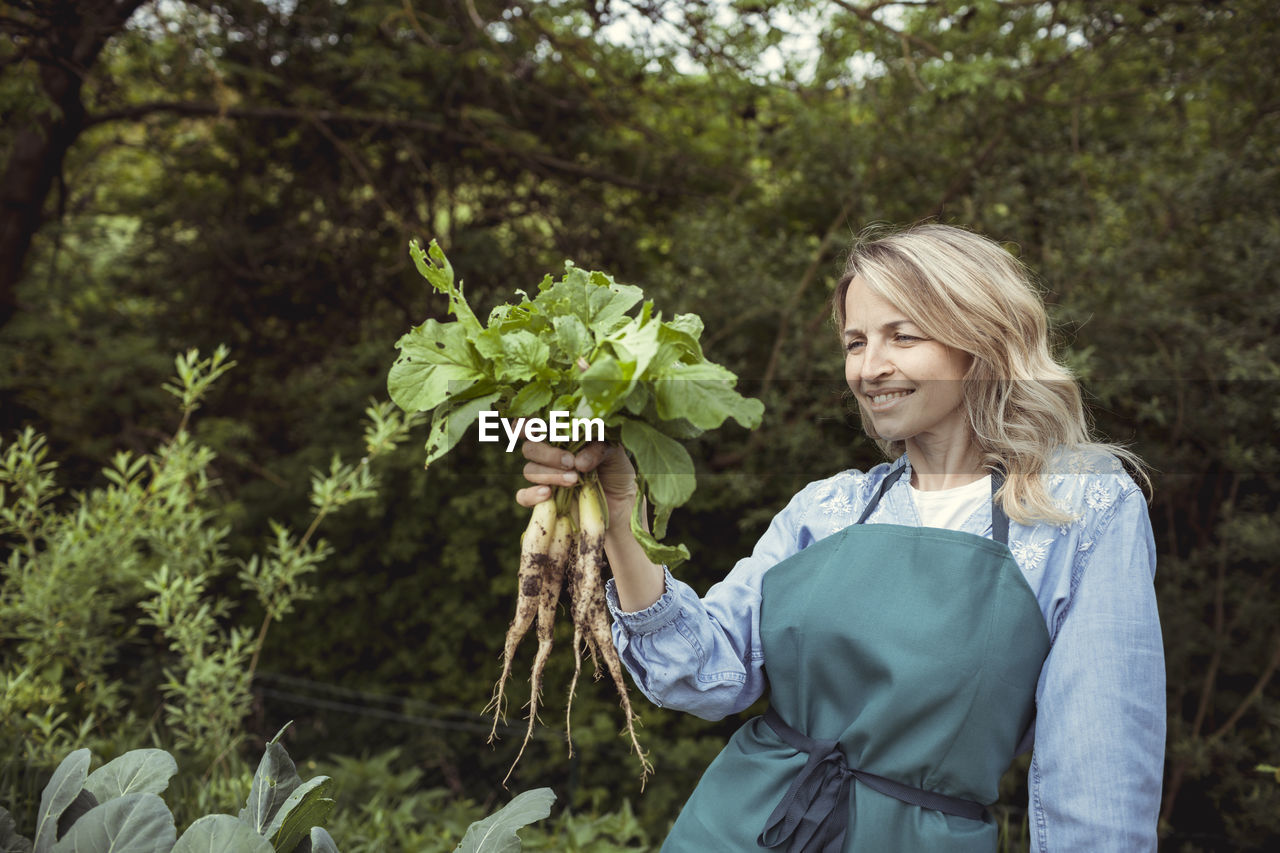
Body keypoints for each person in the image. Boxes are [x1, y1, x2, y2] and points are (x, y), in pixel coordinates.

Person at [516, 223, 1165, 852]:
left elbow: (1097, 777)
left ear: (981, 341)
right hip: (739, 827)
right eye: (855, 343)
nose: (870, 367)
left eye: (901, 336)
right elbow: (702, 673)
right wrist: (623, 514)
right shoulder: (829, 507)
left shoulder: (1081, 506)